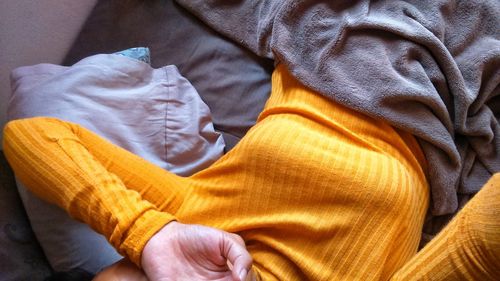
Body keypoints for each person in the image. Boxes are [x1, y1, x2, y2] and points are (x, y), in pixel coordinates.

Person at [3, 64, 499, 280]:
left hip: (325, 57)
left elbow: (32, 135)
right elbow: (481, 245)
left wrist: (147, 235)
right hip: (440, 93)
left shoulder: (187, 220)